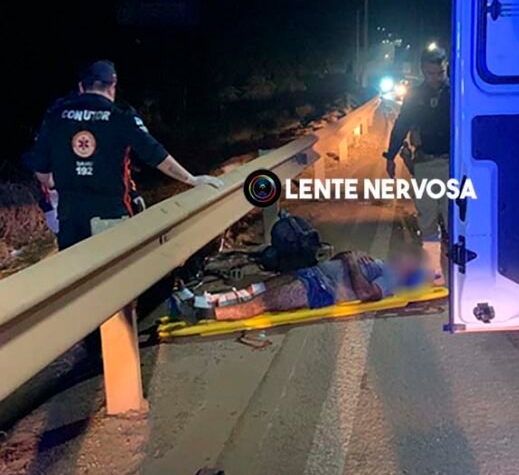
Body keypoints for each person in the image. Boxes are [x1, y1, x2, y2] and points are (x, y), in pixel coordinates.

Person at [24, 60, 223, 251]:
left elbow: (41, 170)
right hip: (110, 217)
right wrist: (191, 179)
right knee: (115, 276)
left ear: (81, 87)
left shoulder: (56, 116)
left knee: (79, 279)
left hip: (70, 220)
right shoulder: (120, 115)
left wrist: (62, 182)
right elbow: (155, 154)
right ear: (112, 87)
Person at [179, 249, 430, 322]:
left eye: (410, 259)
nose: (404, 255)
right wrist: (349, 255)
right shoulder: (380, 262)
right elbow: (341, 256)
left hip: (320, 289)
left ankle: (202, 313)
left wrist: (352, 260)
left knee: (262, 302)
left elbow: (366, 294)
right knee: (258, 289)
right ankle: (199, 301)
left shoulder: (391, 279)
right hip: (313, 273)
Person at [383, 46, 451, 285]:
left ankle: (461, 272)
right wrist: (390, 157)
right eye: (431, 74)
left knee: (455, 218)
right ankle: (434, 270)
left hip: (454, 165)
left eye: (440, 73)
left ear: (446, 68)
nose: (436, 78)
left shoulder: (457, 92)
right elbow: (402, 125)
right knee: (428, 219)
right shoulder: (416, 96)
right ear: (423, 71)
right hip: (425, 163)